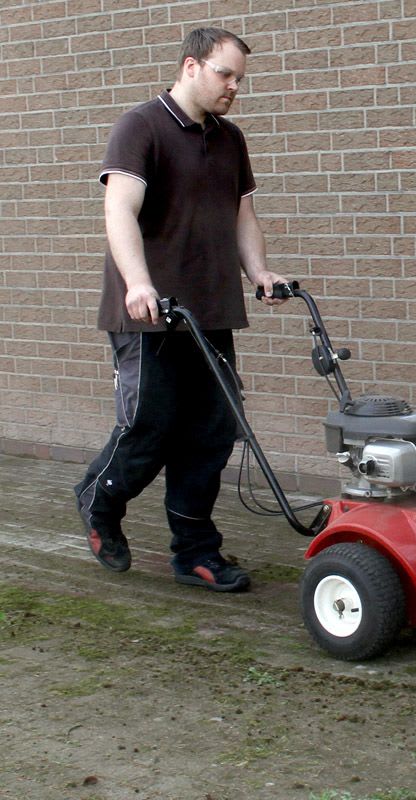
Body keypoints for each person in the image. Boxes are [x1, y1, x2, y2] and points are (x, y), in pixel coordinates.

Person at [74, 27, 289, 592]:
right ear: (191, 67)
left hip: (211, 310)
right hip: (148, 313)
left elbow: (243, 216)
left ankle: (195, 552)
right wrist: (137, 283)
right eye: (225, 74)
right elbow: (119, 208)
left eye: (240, 78)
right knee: (149, 424)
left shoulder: (230, 139)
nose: (234, 87)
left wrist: (259, 272)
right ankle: (100, 500)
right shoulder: (141, 126)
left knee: (213, 434)